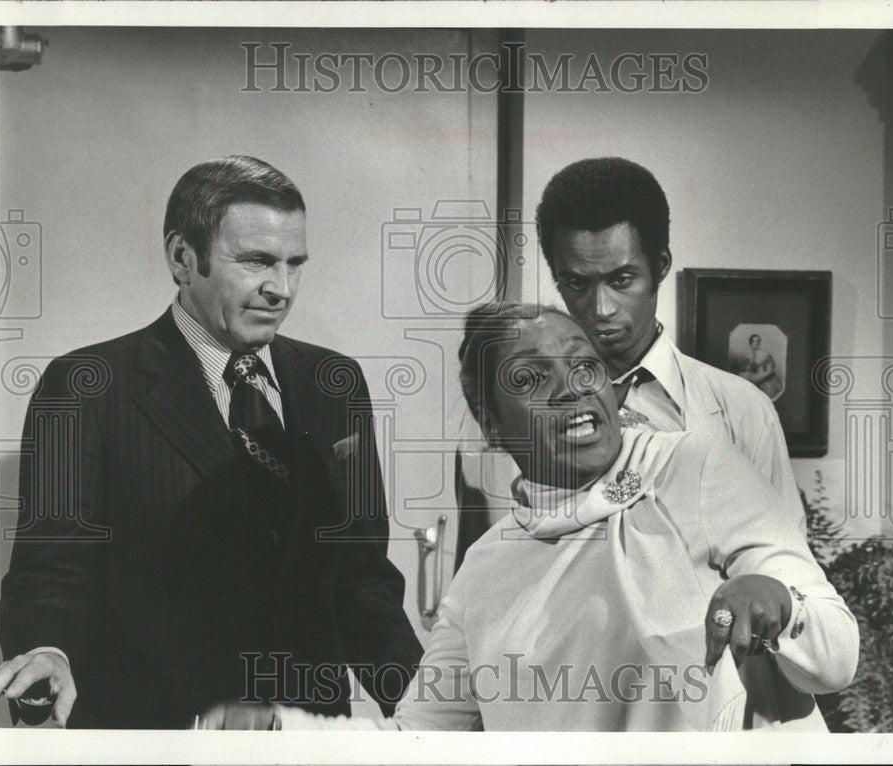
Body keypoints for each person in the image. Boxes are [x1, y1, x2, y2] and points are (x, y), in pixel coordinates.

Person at [201, 303, 858, 731]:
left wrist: (777, 600)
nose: (571, 386)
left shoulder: (697, 466)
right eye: (529, 378)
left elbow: (836, 655)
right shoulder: (486, 570)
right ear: (489, 424)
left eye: (583, 365)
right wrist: (281, 728)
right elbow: (418, 742)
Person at [0, 155, 423, 728]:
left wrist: (436, 711)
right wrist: (48, 647)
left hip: (304, 736)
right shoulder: (85, 386)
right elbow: (52, 570)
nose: (282, 288)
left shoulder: (335, 383)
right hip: (153, 734)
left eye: (295, 264)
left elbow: (362, 580)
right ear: (182, 257)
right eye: (256, 262)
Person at [455, 158, 803, 569]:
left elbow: (786, 570)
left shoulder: (740, 409)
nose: (600, 309)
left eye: (621, 280)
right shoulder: (510, 414)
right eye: (577, 284)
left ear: (660, 266)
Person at [738, 333, 784, 400]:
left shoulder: (765, 354)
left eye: (758, 341)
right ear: (750, 342)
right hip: (756, 381)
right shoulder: (748, 355)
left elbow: (769, 371)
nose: (756, 343)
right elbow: (746, 369)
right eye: (754, 341)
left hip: (768, 381)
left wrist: (757, 378)